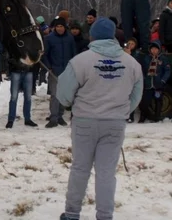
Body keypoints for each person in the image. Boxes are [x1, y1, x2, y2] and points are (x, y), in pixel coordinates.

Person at [56, 17, 143, 220]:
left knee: (80, 168)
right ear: (113, 36)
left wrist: (73, 104)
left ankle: (71, 214)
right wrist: (120, 112)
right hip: (114, 124)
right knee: (106, 173)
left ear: (92, 35)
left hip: (84, 122)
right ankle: (105, 215)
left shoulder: (80, 61)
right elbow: (136, 96)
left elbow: (64, 95)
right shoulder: (131, 63)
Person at [43, 17, 77, 128]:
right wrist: (49, 67)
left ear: (64, 27)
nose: (59, 28)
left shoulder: (70, 38)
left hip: (66, 70)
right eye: (57, 26)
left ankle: (60, 116)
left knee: (63, 94)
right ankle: (53, 117)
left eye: (61, 26)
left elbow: (73, 54)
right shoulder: (49, 38)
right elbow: (45, 55)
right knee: (54, 94)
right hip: (54, 70)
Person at [138, 41, 170, 123]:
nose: (154, 50)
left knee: (158, 100)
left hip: (158, 83)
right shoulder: (146, 58)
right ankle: (143, 116)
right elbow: (142, 69)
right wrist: (144, 78)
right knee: (145, 101)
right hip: (148, 83)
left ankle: (157, 117)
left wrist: (163, 80)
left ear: (159, 49)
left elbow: (167, 71)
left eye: (156, 49)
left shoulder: (163, 58)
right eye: (152, 49)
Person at [6, 51, 38, 129]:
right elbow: (8, 56)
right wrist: (17, 63)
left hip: (28, 71)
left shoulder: (31, 41)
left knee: (28, 97)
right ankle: (11, 119)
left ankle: (27, 119)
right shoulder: (15, 41)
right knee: (14, 97)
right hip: (16, 71)